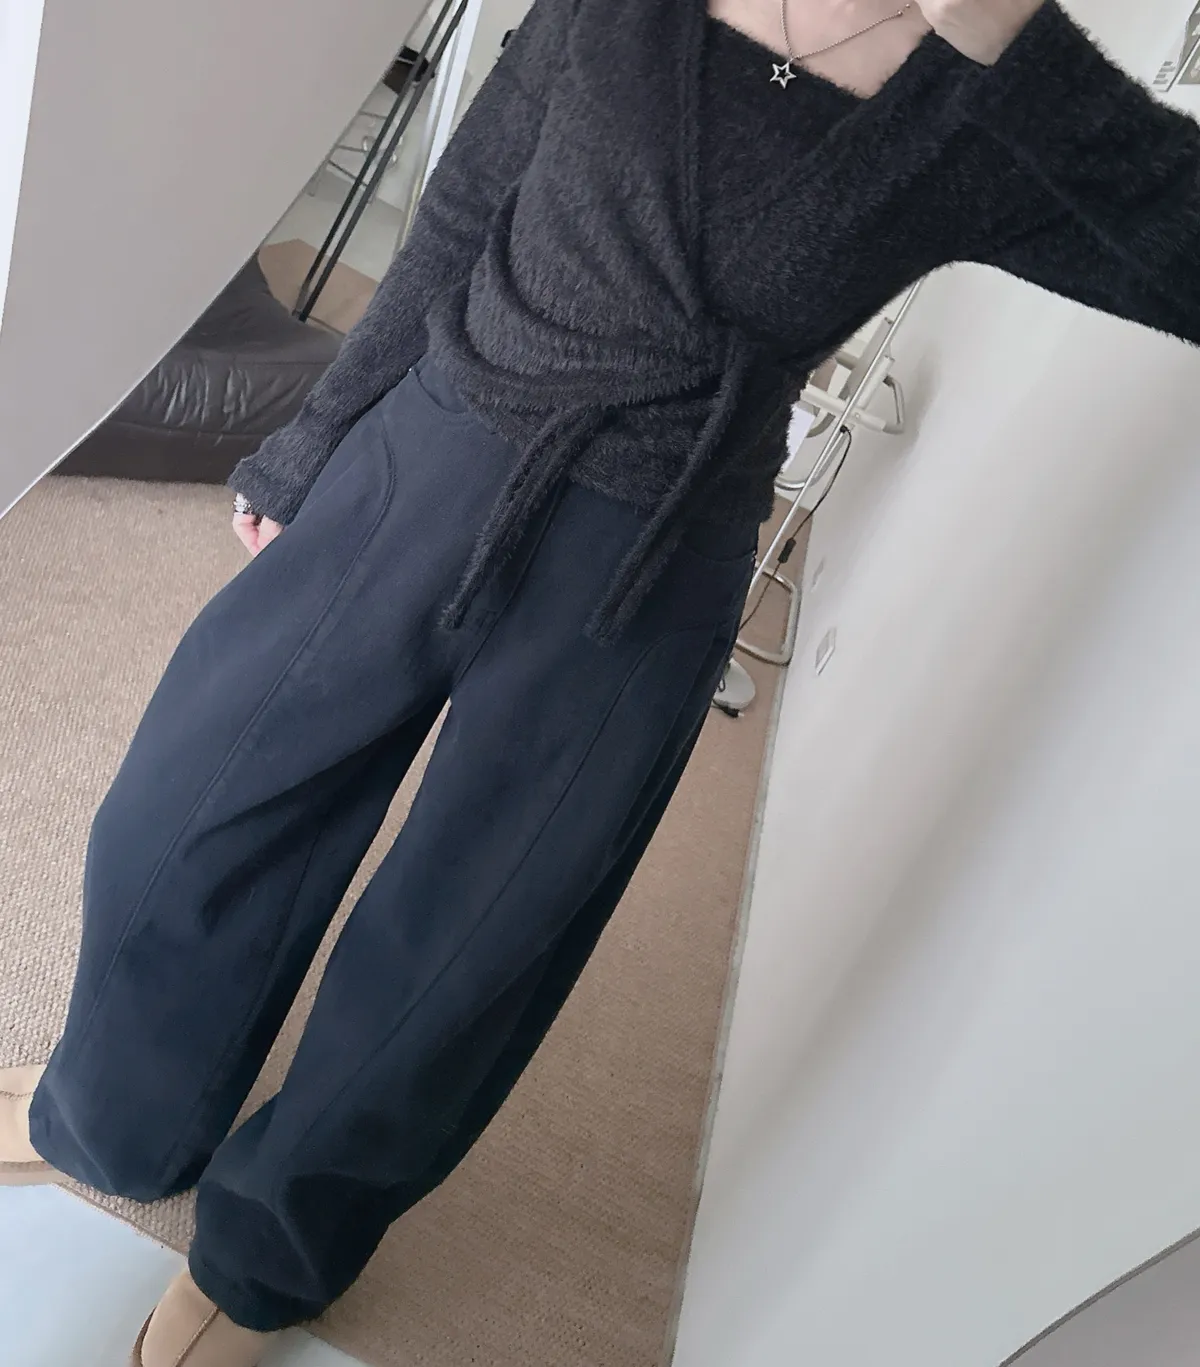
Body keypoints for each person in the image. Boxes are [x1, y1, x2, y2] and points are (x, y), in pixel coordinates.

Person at [4, 0, 1200, 1361]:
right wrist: (316, 431)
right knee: (193, 802)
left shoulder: (981, 103)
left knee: (466, 945)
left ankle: (268, 1253)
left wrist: (1015, 56)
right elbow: (468, 198)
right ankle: (114, 1113)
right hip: (436, 444)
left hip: (647, 560)